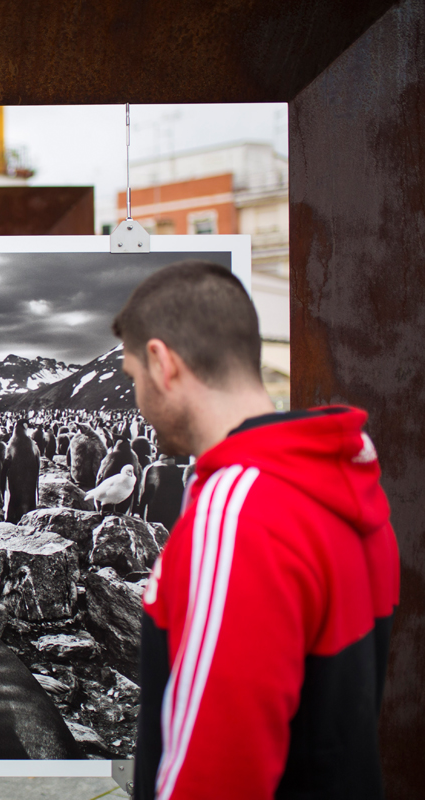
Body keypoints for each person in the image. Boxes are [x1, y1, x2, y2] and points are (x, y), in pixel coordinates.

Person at [112, 260, 399, 800]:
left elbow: (216, 772)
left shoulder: (238, 516)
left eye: (133, 379)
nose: (138, 402)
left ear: (162, 362)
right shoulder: (344, 487)